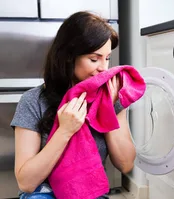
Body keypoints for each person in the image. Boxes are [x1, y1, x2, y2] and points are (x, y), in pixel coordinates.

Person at [10, 11, 135, 199]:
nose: (104, 68)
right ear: (69, 57)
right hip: (42, 193)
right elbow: (26, 183)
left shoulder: (112, 97)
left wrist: (107, 109)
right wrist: (64, 131)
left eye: (107, 58)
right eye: (94, 59)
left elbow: (125, 164)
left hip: (89, 191)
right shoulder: (33, 101)